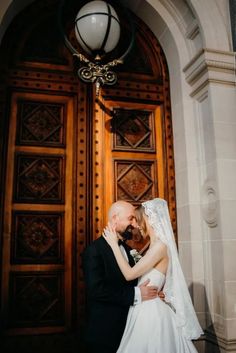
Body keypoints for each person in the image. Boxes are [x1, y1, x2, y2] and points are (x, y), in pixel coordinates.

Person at [103, 198, 204, 353]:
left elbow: (129, 275)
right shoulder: (154, 246)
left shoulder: (160, 247)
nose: (135, 225)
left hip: (151, 311)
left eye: (137, 220)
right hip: (145, 305)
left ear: (148, 219)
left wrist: (113, 245)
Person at [82, 200, 162, 353]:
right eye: (130, 218)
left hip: (132, 329)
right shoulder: (94, 251)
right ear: (115, 218)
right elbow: (97, 291)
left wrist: (154, 293)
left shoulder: (127, 249)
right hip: (106, 333)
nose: (134, 223)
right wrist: (137, 294)